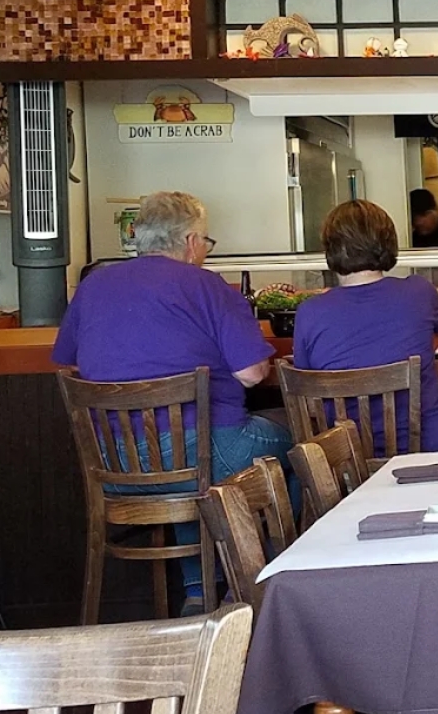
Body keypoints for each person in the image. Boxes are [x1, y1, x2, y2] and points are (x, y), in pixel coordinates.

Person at [52, 191, 288, 614]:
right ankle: (271, 590)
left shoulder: (93, 287)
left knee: (189, 458)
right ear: (191, 241)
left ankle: (200, 595)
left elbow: (67, 363)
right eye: (206, 242)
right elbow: (252, 373)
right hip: (207, 454)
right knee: (298, 449)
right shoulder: (206, 286)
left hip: (118, 467)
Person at [293, 199, 438, 455]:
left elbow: (308, 398)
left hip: (349, 463)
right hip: (431, 452)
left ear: (331, 249)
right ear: (388, 243)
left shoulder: (309, 312)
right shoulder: (419, 291)